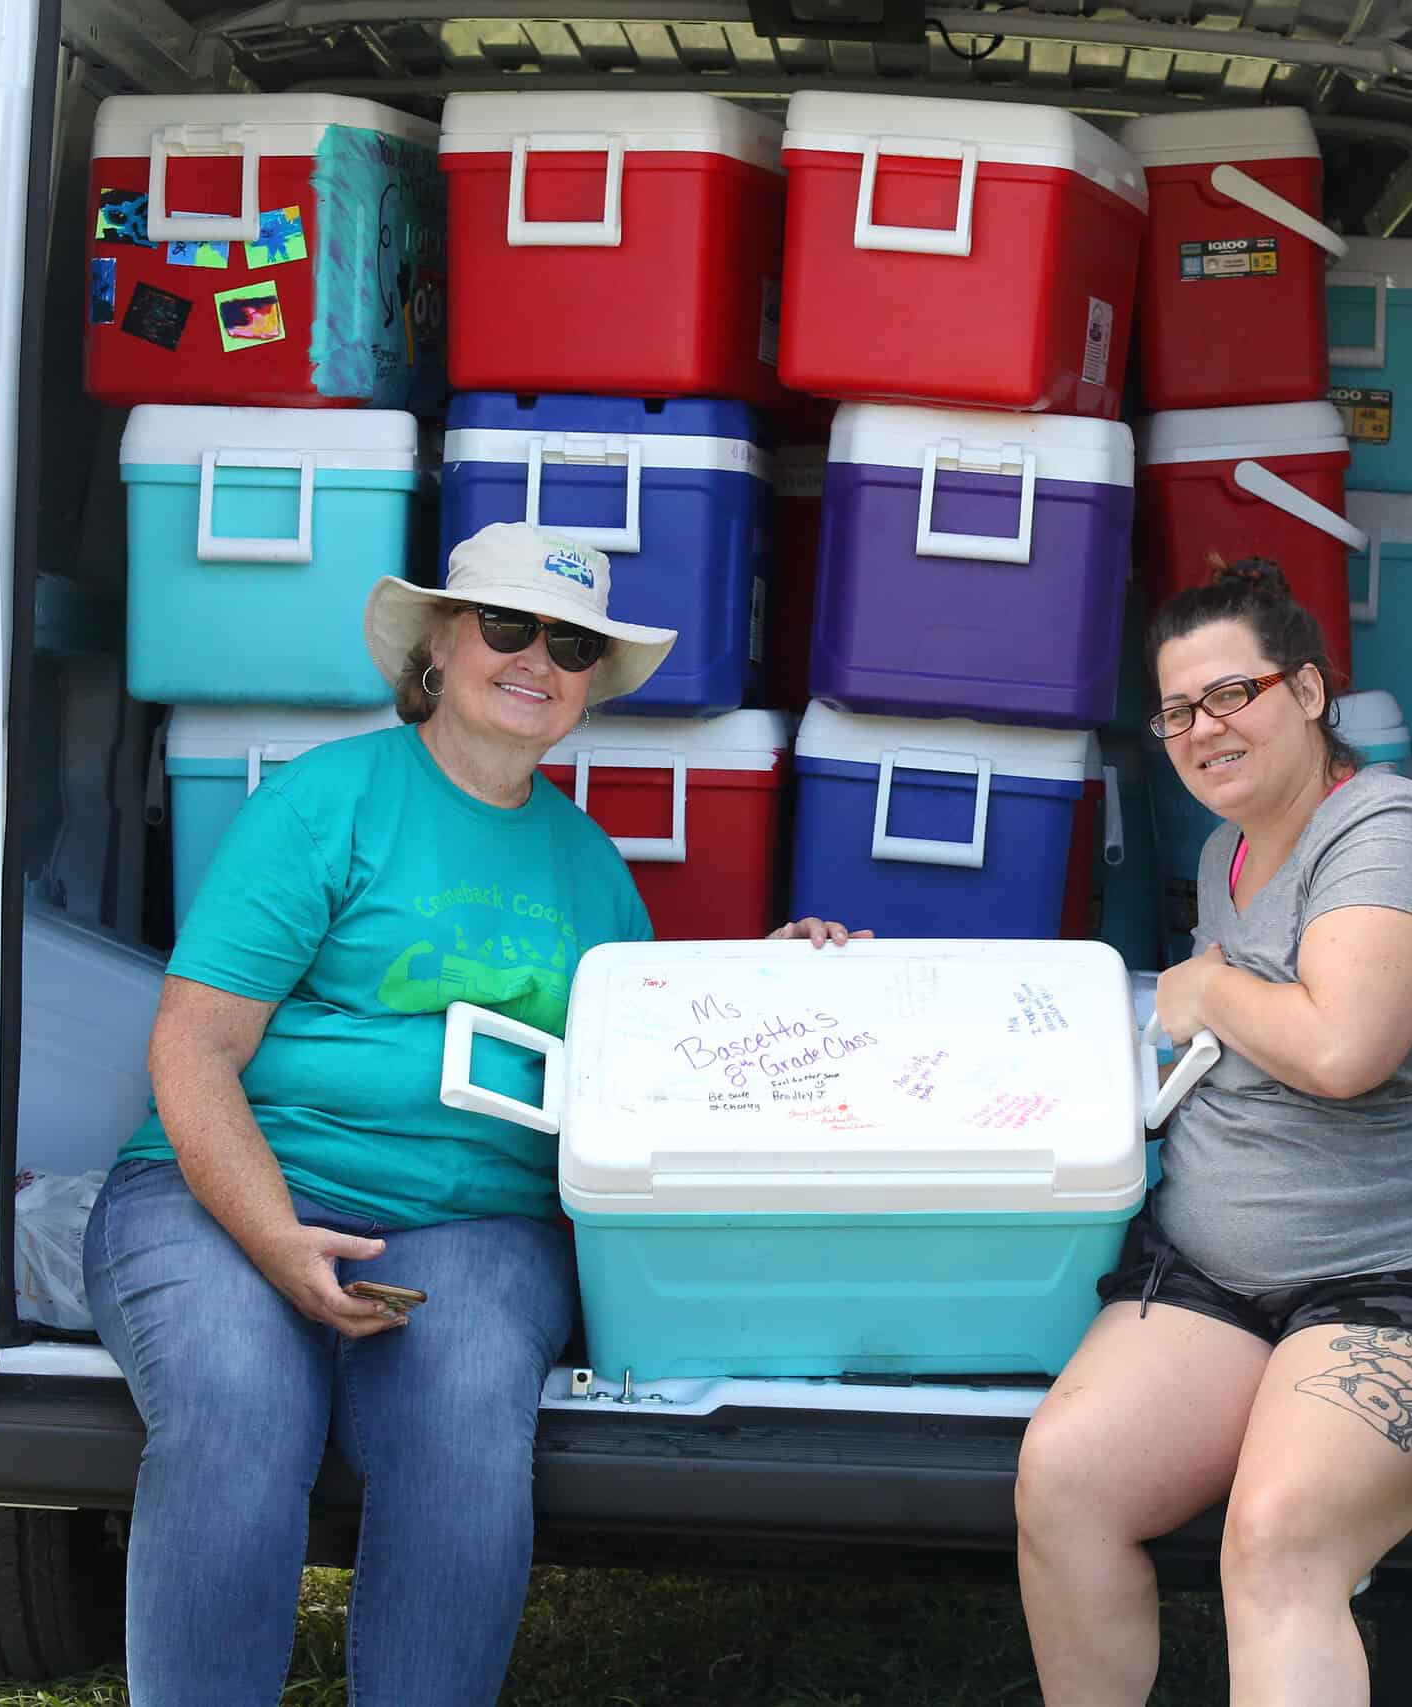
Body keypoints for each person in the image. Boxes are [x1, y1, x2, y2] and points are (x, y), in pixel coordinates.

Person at [83, 521, 864, 1707]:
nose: (535, 658)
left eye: (571, 643)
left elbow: (642, 1057)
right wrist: (269, 1234)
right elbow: (193, 1048)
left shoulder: (592, 866)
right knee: (240, 1410)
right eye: (506, 625)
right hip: (235, 1185)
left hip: (478, 1221)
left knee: (460, 1447)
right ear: (439, 647)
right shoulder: (326, 802)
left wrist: (773, 973)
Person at [1013, 558, 1412, 1706]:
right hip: (1219, 1280)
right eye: (1178, 710)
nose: (1201, 729)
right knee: (1065, 1482)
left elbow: (1340, 1049)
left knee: (1276, 1544)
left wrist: (1206, 992)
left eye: (1234, 693)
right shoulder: (1232, 850)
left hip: (1391, 1285)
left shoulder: (1389, 831)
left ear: (1311, 692)